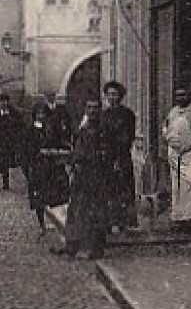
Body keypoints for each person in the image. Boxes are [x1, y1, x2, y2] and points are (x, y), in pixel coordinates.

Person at [56, 98, 110, 259]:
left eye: (95, 108)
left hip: (96, 175)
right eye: (89, 107)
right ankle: (72, 245)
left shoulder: (103, 130)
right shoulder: (84, 128)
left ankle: (95, 249)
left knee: (96, 212)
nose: (92, 111)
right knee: (76, 210)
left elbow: (105, 153)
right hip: (81, 175)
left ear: (100, 110)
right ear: (85, 109)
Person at [23, 99, 70, 234]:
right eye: (38, 114)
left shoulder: (53, 128)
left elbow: (60, 142)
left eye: (43, 114)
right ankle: (42, 224)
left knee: (56, 196)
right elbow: (27, 149)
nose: (41, 116)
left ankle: (56, 222)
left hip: (53, 167)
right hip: (38, 167)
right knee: (39, 198)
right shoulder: (31, 130)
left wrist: (58, 150)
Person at [162, 85, 191, 225]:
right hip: (174, 153)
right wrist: (169, 139)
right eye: (178, 95)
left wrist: (190, 145)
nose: (180, 98)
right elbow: (166, 128)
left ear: (189, 95)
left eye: (183, 95)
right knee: (177, 186)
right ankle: (178, 217)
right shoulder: (173, 111)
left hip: (190, 152)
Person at [100, 80, 138, 231]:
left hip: (121, 156)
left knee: (123, 189)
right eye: (109, 94)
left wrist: (118, 157)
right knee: (108, 189)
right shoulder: (103, 115)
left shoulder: (127, 114)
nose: (111, 97)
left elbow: (127, 137)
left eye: (114, 94)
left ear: (120, 96)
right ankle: (110, 221)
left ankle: (124, 222)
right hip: (106, 157)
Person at [0, 93, 23, 190]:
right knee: (0, 161)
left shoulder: (14, 114)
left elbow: (18, 126)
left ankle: (6, 182)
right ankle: (1, 181)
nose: (4, 103)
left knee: (7, 161)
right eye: (2, 101)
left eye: (6, 101)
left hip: (9, 142)